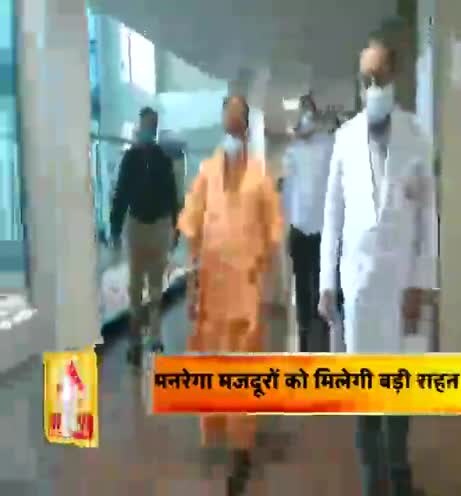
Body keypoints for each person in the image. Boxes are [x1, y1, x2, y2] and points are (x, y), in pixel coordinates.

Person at [318, 38, 436, 495]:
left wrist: (422, 283)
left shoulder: (417, 137)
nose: (373, 86)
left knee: (400, 393)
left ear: (395, 77)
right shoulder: (344, 138)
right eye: (366, 79)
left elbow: (428, 217)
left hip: (402, 285)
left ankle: (400, 477)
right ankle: (374, 483)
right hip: (359, 288)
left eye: (380, 77)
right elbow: (332, 215)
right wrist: (327, 283)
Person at [178, 95, 283, 496]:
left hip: (246, 291)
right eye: (229, 120)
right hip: (212, 290)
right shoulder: (206, 173)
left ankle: (241, 449)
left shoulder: (260, 176)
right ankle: (223, 434)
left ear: (247, 127)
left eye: (240, 122)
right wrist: (192, 285)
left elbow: (274, 230)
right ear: (223, 122)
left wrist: (265, 277)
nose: (234, 127)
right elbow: (192, 228)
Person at [110, 107, 179, 366]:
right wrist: (115, 227)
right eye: (145, 125)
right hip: (137, 225)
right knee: (136, 287)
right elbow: (121, 194)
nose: (147, 130)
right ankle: (135, 339)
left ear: (155, 128)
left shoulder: (163, 159)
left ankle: (155, 336)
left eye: (151, 125)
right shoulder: (130, 159)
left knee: (156, 287)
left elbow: (172, 196)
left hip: (159, 226)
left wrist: (176, 227)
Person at [282, 94, 334, 352]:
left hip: (323, 229)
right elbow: (288, 192)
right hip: (299, 229)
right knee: (302, 286)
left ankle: (322, 339)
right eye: (302, 112)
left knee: (321, 286)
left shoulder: (329, 145)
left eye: (309, 111)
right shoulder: (292, 151)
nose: (305, 117)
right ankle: (304, 339)